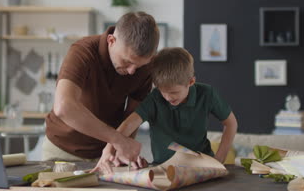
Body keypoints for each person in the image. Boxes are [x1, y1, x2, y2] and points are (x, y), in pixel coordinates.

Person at [92, 47, 238, 173]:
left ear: (191, 82)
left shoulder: (207, 94)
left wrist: (219, 160)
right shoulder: (155, 99)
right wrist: (108, 150)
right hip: (162, 169)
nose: (168, 97)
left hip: (202, 167)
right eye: (163, 91)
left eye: (174, 92)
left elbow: (231, 123)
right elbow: (128, 125)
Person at [43, 12, 160, 163]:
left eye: (139, 65)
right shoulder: (83, 51)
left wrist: (119, 151)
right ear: (111, 40)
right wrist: (118, 140)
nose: (132, 71)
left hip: (106, 154)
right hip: (62, 149)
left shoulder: (144, 67)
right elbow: (64, 107)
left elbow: (132, 115)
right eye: (127, 61)